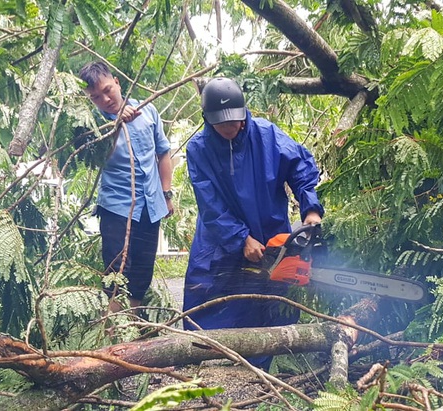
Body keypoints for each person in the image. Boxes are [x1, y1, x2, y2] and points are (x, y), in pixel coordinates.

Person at [183, 77, 324, 369]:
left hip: (270, 229)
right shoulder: (199, 148)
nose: (229, 128)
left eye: (233, 121)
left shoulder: (267, 135)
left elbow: (301, 167)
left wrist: (310, 209)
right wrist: (240, 238)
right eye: (221, 123)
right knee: (211, 296)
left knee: (272, 299)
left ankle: (269, 361)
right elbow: (209, 203)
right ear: (208, 119)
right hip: (220, 235)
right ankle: (205, 358)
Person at [78, 61, 174, 312]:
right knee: (117, 271)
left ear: (117, 83)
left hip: (151, 206)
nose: (105, 99)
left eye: (108, 90)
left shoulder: (148, 111)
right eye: (96, 97)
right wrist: (115, 124)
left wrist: (167, 194)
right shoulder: (92, 125)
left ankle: (131, 330)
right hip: (116, 208)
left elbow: (163, 153)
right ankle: (113, 331)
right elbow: (93, 157)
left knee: (142, 271)